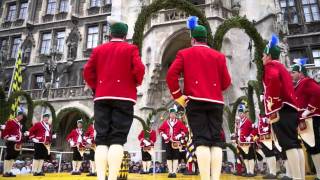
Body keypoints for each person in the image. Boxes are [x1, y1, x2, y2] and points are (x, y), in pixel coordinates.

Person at [166, 16, 231, 180]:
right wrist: (214, 89)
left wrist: (179, 97)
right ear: (206, 39)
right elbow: (226, 82)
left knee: (201, 140)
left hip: (194, 101)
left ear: (193, 39)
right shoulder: (219, 56)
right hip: (216, 102)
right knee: (216, 141)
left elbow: (171, 75)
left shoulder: (184, 53)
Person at [83, 16, 145, 180]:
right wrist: (134, 83)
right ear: (125, 36)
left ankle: (101, 177)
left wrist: (97, 87)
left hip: (102, 96)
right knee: (117, 139)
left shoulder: (98, 50)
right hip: (124, 97)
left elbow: (87, 72)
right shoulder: (131, 49)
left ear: (111, 35)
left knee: (101, 139)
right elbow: (139, 69)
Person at [262, 34, 304, 180]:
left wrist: (273, 104)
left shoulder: (271, 66)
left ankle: (297, 178)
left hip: (282, 109)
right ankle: (299, 177)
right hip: (291, 108)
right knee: (294, 144)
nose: (262, 58)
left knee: (289, 144)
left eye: (263, 55)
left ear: (268, 56)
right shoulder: (282, 67)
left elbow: (273, 80)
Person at [291, 60, 320, 180]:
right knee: (311, 147)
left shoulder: (306, 81)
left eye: (293, 72)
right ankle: (318, 173)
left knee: (316, 146)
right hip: (304, 120)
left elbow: (318, 93)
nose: (290, 75)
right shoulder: (297, 85)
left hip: (311, 118)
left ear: (301, 73)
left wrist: (308, 110)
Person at [159, 107, 188, 178]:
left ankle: (174, 172)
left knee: (175, 157)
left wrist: (180, 135)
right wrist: (164, 135)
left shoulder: (179, 122)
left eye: (174, 114)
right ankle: (170, 171)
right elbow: (160, 130)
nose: (172, 115)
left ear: (175, 114)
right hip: (168, 141)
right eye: (171, 113)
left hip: (176, 142)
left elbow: (185, 130)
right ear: (169, 114)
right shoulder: (166, 122)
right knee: (168, 157)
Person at [235, 103, 257, 177]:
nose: (240, 114)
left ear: (244, 113)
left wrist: (250, 136)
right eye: (239, 113)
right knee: (245, 158)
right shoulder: (240, 122)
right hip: (242, 143)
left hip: (248, 142)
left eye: (241, 113)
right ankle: (248, 171)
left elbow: (254, 130)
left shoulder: (248, 121)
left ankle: (251, 171)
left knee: (250, 157)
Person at [1, 109, 24, 177]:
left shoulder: (19, 124)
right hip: (11, 141)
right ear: (17, 115)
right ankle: (5, 172)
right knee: (9, 156)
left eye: (22, 116)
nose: (21, 117)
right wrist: (8, 137)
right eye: (20, 115)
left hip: (17, 142)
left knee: (13, 157)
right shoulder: (11, 121)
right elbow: (6, 130)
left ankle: (9, 171)